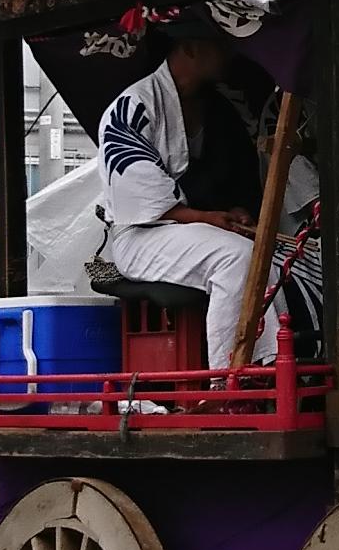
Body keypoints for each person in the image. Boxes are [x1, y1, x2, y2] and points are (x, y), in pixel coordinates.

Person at [95, 27, 318, 369]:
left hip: (201, 229)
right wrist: (209, 219)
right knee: (237, 258)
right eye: (220, 45)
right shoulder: (132, 107)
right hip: (140, 236)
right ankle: (231, 376)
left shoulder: (221, 108)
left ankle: (281, 365)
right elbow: (143, 200)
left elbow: (235, 177)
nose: (229, 54)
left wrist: (235, 212)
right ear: (190, 48)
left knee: (288, 256)